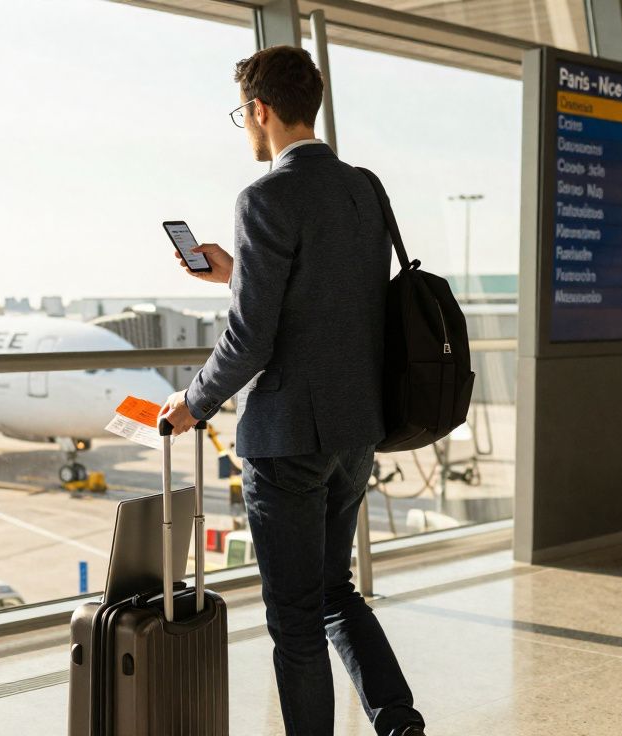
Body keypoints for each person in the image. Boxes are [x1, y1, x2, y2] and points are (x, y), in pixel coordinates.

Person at [158, 45, 426, 736]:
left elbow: (251, 340)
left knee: (296, 622)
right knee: (335, 591)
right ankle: (400, 723)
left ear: (261, 110)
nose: (245, 127)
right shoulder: (363, 187)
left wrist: (193, 402)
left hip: (287, 441)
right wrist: (239, 272)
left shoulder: (265, 197)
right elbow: (335, 293)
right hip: (355, 429)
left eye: (242, 114)